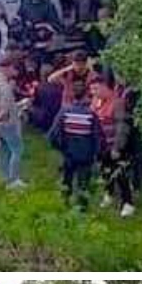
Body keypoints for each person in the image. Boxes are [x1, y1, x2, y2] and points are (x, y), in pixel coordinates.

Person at [48, 78, 102, 211]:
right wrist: (96, 153)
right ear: (86, 95)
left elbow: (53, 134)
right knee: (84, 182)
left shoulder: (64, 112)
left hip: (68, 153)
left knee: (67, 179)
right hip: (86, 155)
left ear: (72, 94)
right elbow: (97, 137)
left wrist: (60, 148)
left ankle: (65, 204)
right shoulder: (91, 114)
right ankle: (82, 208)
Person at [91, 70, 135, 218]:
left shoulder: (117, 103)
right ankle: (108, 194)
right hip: (101, 146)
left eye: (96, 89)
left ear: (105, 87)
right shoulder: (96, 102)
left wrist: (117, 147)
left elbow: (122, 126)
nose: (93, 92)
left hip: (114, 145)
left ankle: (127, 203)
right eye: (92, 89)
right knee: (105, 171)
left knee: (120, 174)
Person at [0, 56, 27, 190]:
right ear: (8, 68)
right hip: (8, 123)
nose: (16, 73)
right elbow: (5, 108)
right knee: (17, 150)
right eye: (15, 70)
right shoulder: (4, 86)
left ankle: (4, 177)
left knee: (3, 150)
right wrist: (21, 105)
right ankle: (14, 180)